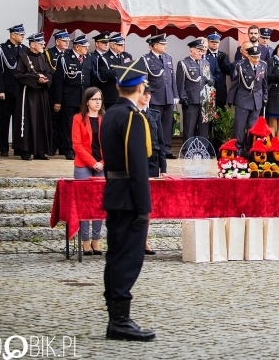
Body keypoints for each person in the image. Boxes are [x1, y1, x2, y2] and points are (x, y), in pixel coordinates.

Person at [100, 57, 156, 342]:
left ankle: (115, 318)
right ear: (138, 88)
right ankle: (120, 321)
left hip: (114, 193)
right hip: (129, 198)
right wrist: (144, 208)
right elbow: (137, 166)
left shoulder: (110, 114)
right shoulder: (133, 117)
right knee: (128, 259)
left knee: (115, 257)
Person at [71, 87, 105, 256]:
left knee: (99, 204)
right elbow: (77, 145)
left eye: (99, 99)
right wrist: (92, 163)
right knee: (84, 203)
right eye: (94, 99)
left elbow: (111, 143)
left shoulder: (104, 118)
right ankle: (85, 241)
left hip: (102, 165)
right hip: (83, 165)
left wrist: (102, 162)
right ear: (86, 101)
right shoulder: (78, 119)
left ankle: (96, 239)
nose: (97, 102)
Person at [50, 34, 91, 160]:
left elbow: (90, 78)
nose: (87, 49)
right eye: (84, 47)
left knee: (82, 124)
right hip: (69, 97)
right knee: (69, 125)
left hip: (83, 98)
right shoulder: (65, 58)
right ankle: (68, 149)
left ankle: (81, 149)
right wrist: (58, 100)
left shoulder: (87, 58)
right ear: (77, 47)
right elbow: (58, 82)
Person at [13, 33, 53, 161]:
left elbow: (49, 72)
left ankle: (40, 151)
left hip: (41, 94)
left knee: (41, 121)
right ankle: (25, 150)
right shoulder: (23, 57)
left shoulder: (42, 56)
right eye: (41, 43)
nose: (43, 45)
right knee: (29, 121)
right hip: (28, 94)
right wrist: (36, 79)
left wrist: (46, 80)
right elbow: (19, 75)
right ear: (32, 44)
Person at [137, 84, 166, 256]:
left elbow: (161, 142)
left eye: (149, 94)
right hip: (135, 162)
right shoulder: (131, 114)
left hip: (152, 163)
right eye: (144, 93)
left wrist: (163, 167)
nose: (147, 96)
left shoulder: (154, 114)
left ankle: (144, 240)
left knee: (147, 205)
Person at [142, 33, 179, 159]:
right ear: (155, 45)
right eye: (163, 44)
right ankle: (155, 149)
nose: (165, 47)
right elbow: (145, 79)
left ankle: (167, 150)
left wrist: (175, 94)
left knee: (167, 125)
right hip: (155, 97)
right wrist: (146, 96)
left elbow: (172, 78)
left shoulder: (168, 58)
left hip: (168, 96)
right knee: (154, 125)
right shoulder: (146, 59)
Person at [228, 45, 268, 155]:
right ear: (248, 56)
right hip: (243, 99)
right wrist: (230, 99)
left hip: (257, 100)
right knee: (239, 126)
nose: (256, 60)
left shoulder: (263, 65)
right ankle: (238, 149)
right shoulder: (241, 66)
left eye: (258, 57)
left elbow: (264, 83)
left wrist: (265, 96)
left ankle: (251, 148)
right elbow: (235, 83)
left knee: (253, 127)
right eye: (254, 57)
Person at [0, 24, 26, 157]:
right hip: (7, 90)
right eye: (21, 34)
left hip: (21, 90)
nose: (23, 37)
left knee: (19, 121)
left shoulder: (24, 49)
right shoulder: (1, 49)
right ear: (13, 35)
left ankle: (18, 147)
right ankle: (3, 148)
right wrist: (0, 90)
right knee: (5, 120)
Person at [177, 39, 215, 142]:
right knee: (189, 128)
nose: (201, 53)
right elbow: (180, 83)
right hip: (190, 100)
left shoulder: (205, 63)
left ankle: (203, 150)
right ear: (191, 51)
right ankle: (188, 150)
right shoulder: (184, 63)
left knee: (204, 129)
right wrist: (183, 97)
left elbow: (209, 77)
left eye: (202, 51)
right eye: (198, 51)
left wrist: (211, 81)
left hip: (204, 101)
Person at [46, 30, 71, 156]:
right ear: (57, 41)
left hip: (66, 93)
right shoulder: (49, 53)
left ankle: (62, 147)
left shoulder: (68, 55)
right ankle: (51, 146)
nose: (67, 43)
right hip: (53, 91)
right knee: (53, 122)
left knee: (64, 123)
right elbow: (51, 72)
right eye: (64, 41)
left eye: (68, 41)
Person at [105, 33, 134, 106]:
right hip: (112, 95)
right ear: (112, 45)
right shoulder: (104, 57)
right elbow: (105, 74)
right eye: (120, 45)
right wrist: (121, 69)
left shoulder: (126, 56)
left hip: (126, 93)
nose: (122, 46)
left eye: (123, 44)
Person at [90, 32, 117, 108]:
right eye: (103, 42)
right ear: (97, 44)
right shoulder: (92, 56)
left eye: (107, 42)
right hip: (97, 87)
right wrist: (104, 77)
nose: (106, 44)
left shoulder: (108, 57)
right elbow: (93, 72)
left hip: (109, 90)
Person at [205, 32, 231, 109]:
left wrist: (223, 62)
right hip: (209, 87)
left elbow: (229, 71)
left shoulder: (223, 55)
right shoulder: (204, 54)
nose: (214, 44)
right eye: (212, 42)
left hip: (221, 89)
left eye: (216, 42)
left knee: (221, 113)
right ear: (208, 42)